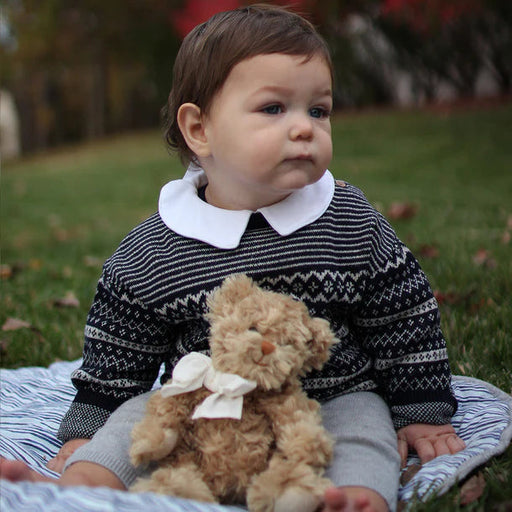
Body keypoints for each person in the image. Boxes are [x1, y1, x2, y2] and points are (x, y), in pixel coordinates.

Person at [0, 4, 466, 511]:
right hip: (203, 403)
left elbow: (403, 316)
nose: (305, 128)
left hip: (330, 395)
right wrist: (87, 428)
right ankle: (82, 485)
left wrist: (420, 408)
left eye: (318, 110)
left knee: (364, 426)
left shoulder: (348, 221)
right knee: (138, 419)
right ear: (199, 129)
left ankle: (352, 496)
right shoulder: (157, 248)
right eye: (274, 108)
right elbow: (119, 348)